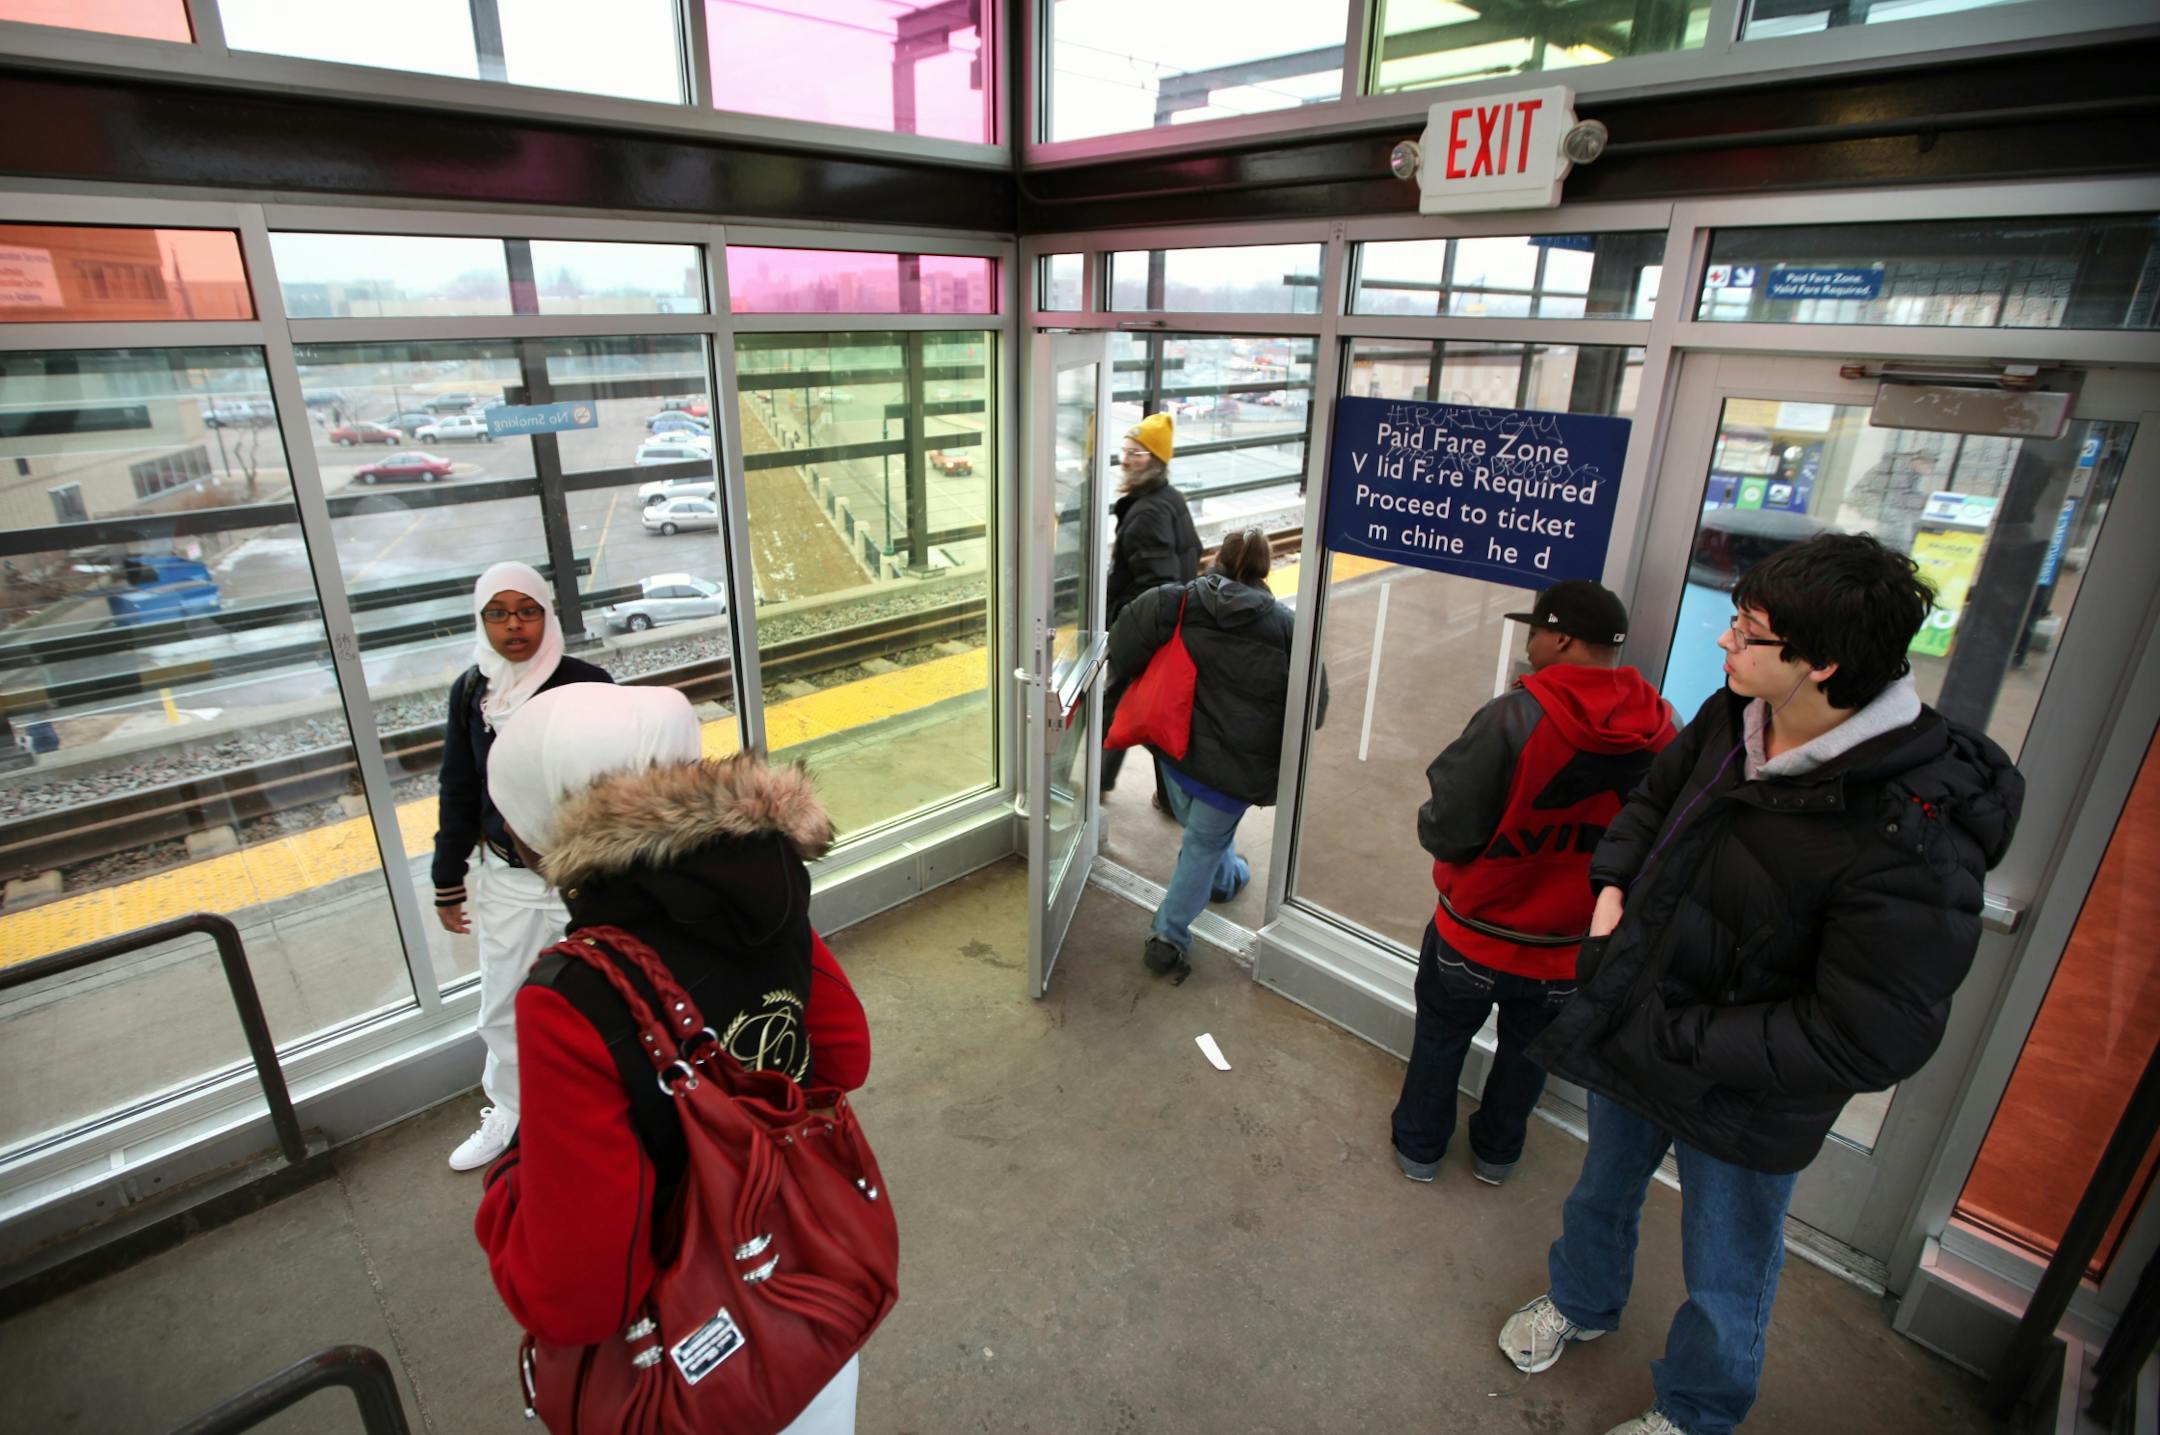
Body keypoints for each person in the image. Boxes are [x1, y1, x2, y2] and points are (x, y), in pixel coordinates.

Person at [1498, 533, 2024, 1435]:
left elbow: (1868, 1033)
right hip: (1644, 1024)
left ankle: (1697, 1410)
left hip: (1746, 1094)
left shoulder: (1913, 833)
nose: (1724, 643)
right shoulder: (1737, 712)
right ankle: (1581, 1301)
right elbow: (1654, 801)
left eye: (1748, 630)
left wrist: (1683, 1036)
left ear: (1822, 664)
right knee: (1599, 1191)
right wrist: (1612, 886)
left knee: (1727, 1265)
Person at [474, 683, 873, 1434]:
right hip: (809, 1303)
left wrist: (506, 1190)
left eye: (510, 819)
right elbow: (844, 1053)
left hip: (698, 1367)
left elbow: (580, 1295)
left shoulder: (572, 993)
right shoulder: (771, 889)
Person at [1391, 581, 1676, 1188]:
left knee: (1442, 1042)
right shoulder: (1663, 726)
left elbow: (1448, 830)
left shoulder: (1512, 716)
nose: (1531, 641)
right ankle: (1497, 1155)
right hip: (1570, 952)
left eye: (1537, 630)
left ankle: (1420, 1150)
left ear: (1563, 637)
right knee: (1527, 1058)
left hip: (1476, 936)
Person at [433, 562, 612, 1171]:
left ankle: (600, 1104)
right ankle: (510, 1110)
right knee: (504, 1002)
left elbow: (618, 783)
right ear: (482, 621)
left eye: (528, 610)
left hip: (579, 875)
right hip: (506, 878)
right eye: (499, 613)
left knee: (597, 993)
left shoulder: (586, 683)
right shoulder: (470, 691)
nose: (515, 625)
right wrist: (445, 877)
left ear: (547, 614)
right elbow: (457, 787)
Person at [1106, 528, 1321, 985]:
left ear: (1218, 559)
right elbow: (1314, 707)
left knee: (1203, 840)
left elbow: (1122, 643)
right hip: (1235, 774)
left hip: (1176, 751)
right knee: (1203, 843)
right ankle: (1168, 937)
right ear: (1265, 570)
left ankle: (1225, 881)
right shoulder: (1289, 629)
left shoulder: (1175, 602)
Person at [1101, 412, 1200, 812]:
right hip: (1167, 623)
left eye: (1136, 453)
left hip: (1146, 627)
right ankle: (1173, 800)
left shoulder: (1147, 514)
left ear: (1155, 461)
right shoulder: (1168, 499)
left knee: (1116, 703)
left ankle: (1096, 782)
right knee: (1155, 715)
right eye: (1125, 451)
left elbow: (1155, 582)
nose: (1125, 460)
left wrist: (1125, 626)